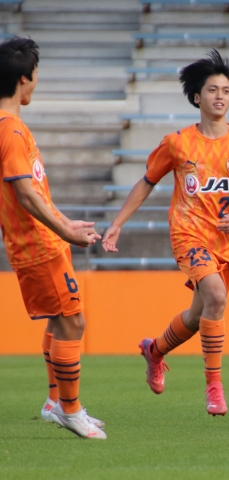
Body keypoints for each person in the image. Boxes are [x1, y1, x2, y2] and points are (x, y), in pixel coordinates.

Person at [102, 49, 229, 417]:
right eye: (212, 89)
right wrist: (117, 224)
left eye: (226, 90)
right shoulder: (178, 143)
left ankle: (154, 351)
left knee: (201, 315)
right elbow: (147, 181)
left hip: (227, 244)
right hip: (189, 236)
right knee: (215, 295)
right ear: (196, 97)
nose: (220, 96)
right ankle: (214, 387)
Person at [0, 37, 105, 439]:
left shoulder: (14, 127)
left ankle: (54, 402)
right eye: (36, 75)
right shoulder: (9, 130)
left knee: (61, 319)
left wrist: (66, 222)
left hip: (47, 240)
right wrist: (62, 230)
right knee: (73, 321)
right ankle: (69, 409)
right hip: (37, 245)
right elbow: (24, 193)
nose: (37, 82)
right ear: (24, 78)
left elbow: (37, 191)